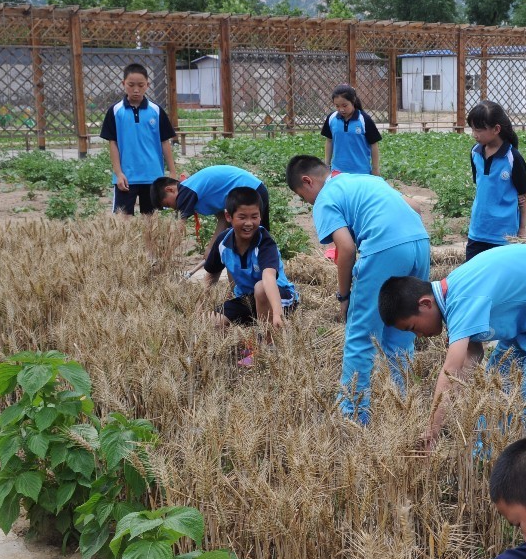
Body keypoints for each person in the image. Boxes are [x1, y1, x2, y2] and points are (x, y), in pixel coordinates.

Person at [378, 245, 526, 448]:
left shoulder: (461, 299)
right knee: (495, 389)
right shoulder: (452, 293)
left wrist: (432, 429)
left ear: (425, 304)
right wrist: (458, 400)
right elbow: (472, 354)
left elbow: (451, 369)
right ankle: (487, 457)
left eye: (413, 327)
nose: (419, 336)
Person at [287, 155, 429, 423]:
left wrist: (344, 295)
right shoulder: (364, 179)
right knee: (403, 329)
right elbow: (415, 207)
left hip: (385, 249)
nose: (309, 204)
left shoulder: (325, 198)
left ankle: (352, 416)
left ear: (308, 182)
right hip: (420, 243)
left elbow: (347, 248)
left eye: (304, 197)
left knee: (361, 336)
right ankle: (406, 411)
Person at [202, 186, 297, 331]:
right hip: (247, 298)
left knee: (260, 288)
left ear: (260, 216)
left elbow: (269, 278)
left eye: (254, 217)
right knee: (212, 320)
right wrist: (199, 304)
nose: (248, 223)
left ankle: (267, 345)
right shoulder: (223, 241)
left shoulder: (265, 242)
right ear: (228, 217)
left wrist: (277, 314)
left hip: (279, 297)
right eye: (242, 217)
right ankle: (236, 349)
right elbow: (212, 274)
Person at [99, 63, 176, 215]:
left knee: (150, 222)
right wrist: (118, 173)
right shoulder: (115, 112)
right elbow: (112, 143)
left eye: (141, 85)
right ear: (123, 84)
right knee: (123, 222)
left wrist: (172, 172)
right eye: (131, 85)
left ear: (147, 85)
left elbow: (165, 142)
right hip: (126, 178)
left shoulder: (156, 111)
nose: (136, 90)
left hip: (153, 177)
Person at [465, 100, 526, 260]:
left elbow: (523, 197)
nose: (474, 134)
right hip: (477, 231)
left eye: (479, 130)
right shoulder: (475, 153)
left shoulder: (513, 158)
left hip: (504, 237)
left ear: (496, 129)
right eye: (473, 129)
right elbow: (482, 187)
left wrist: (522, 229)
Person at [152, 165, 271, 237]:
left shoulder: (185, 191)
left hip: (250, 193)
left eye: (168, 204)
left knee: (245, 240)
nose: (174, 208)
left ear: (170, 190)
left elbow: (179, 228)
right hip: (257, 189)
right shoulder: (199, 191)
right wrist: (211, 248)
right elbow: (222, 220)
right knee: (258, 236)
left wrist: (165, 249)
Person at [322, 83, 381, 176]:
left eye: (345, 105)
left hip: (361, 172)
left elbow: (374, 145)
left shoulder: (364, 119)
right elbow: (329, 141)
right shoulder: (331, 118)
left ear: (353, 101)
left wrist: (375, 168)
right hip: (338, 172)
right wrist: (326, 165)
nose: (341, 109)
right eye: (337, 106)